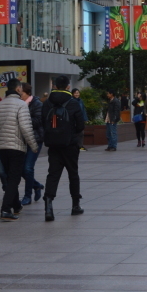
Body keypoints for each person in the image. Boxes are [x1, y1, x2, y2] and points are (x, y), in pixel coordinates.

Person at [0, 79, 39, 221]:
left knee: (11, 177)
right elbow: (25, 127)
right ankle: (5, 209)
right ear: (18, 89)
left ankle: (16, 206)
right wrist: (33, 145)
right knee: (14, 179)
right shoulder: (21, 105)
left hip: (2, 148)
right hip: (17, 147)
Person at [42, 75, 87, 221]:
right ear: (68, 86)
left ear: (54, 85)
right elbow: (80, 125)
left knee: (53, 174)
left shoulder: (47, 103)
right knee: (73, 174)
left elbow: (43, 122)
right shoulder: (73, 103)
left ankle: (48, 204)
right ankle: (75, 205)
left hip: (53, 144)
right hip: (70, 144)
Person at [17, 83, 45, 207]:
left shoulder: (37, 104)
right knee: (22, 169)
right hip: (22, 140)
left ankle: (27, 195)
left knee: (28, 168)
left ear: (27, 93)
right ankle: (36, 186)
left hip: (35, 140)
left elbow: (38, 121)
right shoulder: (19, 104)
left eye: (21, 93)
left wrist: (23, 118)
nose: (19, 96)